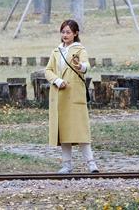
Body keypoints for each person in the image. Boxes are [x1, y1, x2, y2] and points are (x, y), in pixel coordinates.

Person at [45, 18, 99, 174]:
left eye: (68, 32)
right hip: (60, 96)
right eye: (63, 32)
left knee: (81, 131)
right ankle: (67, 165)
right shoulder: (56, 51)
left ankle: (91, 164)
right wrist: (57, 81)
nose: (65, 35)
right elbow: (48, 70)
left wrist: (80, 66)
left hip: (75, 96)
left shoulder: (80, 49)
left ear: (75, 33)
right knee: (64, 133)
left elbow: (86, 66)